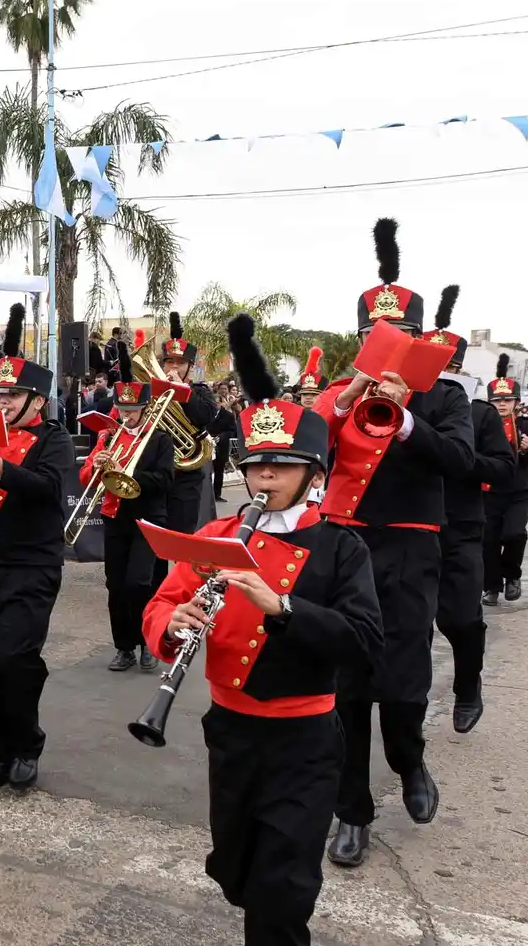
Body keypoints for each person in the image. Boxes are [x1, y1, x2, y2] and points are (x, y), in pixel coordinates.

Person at [142, 314, 383, 946]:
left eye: (280, 467)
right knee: (236, 871)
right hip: (230, 731)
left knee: (281, 897)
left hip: (304, 738)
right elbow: (161, 604)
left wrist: (283, 610)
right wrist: (173, 624)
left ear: (312, 473)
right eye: (254, 467)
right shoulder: (218, 537)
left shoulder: (340, 549)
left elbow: (363, 643)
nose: (263, 479)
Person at [314, 218, 475, 868]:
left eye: (397, 336)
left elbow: (461, 462)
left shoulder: (444, 397)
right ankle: (351, 811)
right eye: (371, 337)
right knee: (345, 690)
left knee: (403, 685)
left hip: (410, 550)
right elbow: (293, 450)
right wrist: (345, 399)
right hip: (344, 549)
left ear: (415, 339)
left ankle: (409, 763)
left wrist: (405, 417)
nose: (384, 346)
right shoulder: (340, 394)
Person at [0, 305, 75, 791]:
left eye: (13, 395)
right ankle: (0, 749)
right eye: (1, 393)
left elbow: (50, 489)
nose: (3, 402)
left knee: (17, 660)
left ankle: (26, 743)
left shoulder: (56, 439)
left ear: (37, 399)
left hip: (32, 567)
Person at [419, 289, 514, 736]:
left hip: (460, 525)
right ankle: (410, 701)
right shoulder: (407, 404)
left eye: (445, 364)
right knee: (412, 622)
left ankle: (467, 684)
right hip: (411, 525)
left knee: (458, 617)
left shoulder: (479, 413)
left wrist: (458, 458)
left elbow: (503, 465)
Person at [89, 342, 175, 671]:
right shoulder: (111, 437)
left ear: (144, 410)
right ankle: (124, 646)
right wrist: (100, 464)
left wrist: (130, 474)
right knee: (115, 584)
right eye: (122, 411)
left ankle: (147, 641)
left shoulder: (160, 440)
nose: (126, 416)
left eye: (132, 411)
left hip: (149, 518)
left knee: (139, 582)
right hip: (116, 517)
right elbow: (94, 479)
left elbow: (165, 479)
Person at [153, 312, 220, 561]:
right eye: (169, 362)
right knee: (155, 540)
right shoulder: (152, 392)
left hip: (186, 473)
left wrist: (182, 392)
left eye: (179, 363)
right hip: (156, 470)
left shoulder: (200, 392)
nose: (173, 368)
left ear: (190, 367)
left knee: (182, 539)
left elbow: (206, 416)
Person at [483, 354, 528, 606]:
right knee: (489, 540)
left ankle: (513, 576)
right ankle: (491, 587)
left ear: (517, 402)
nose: (502, 404)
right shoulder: (482, 425)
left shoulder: (527, 426)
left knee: (515, 534)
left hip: (519, 491)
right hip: (490, 491)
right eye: (497, 400)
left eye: (507, 399)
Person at [295, 346, 324, 411]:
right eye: (304, 394)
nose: (308, 397)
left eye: (314, 394)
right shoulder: (292, 414)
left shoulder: (329, 417)